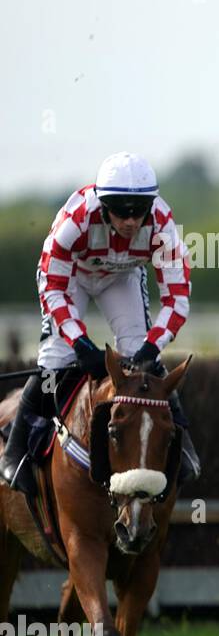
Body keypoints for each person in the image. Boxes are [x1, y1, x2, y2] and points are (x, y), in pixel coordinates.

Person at [0, 152, 199, 495]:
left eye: (140, 210)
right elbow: (53, 287)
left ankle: (184, 445)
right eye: (121, 210)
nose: (131, 220)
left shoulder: (162, 225)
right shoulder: (76, 220)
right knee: (56, 358)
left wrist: (153, 347)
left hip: (120, 277)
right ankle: (14, 450)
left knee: (143, 359)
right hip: (70, 277)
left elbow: (178, 297)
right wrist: (82, 345)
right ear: (103, 204)